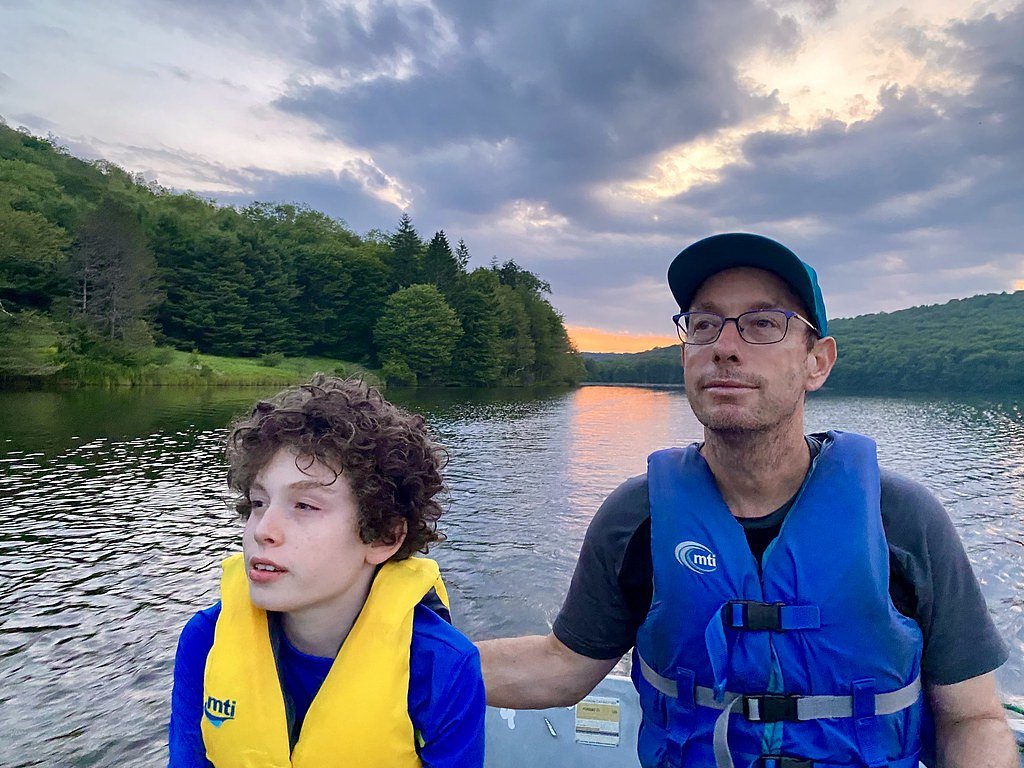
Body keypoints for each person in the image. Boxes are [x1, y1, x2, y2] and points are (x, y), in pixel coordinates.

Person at [477, 233, 1015, 767]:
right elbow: (561, 667)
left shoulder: (900, 520)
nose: (724, 346)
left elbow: (971, 718)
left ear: (817, 363)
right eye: (704, 324)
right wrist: (406, 652)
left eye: (763, 324)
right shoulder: (637, 518)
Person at [169, 375, 485, 767]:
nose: (262, 530)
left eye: (305, 506)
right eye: (258, 502)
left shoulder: (442, 667)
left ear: (384, 536)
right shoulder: (205, 640)